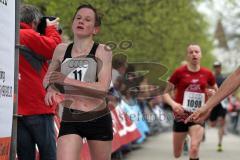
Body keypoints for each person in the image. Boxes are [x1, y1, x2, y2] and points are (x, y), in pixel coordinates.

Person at [43, 4, 113, 160]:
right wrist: (51, 88)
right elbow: (48, 78)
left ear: (95, 29)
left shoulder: (103, 51)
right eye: (78, 18)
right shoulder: (61, 50)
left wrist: (67, 80)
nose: (81, 21)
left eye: (88, 20)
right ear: (73, 23)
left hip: (97, 117)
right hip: (71, 118)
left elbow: (102, 89)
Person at [18, 4, 61, 160]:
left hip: (17, 110)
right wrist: (51, 29)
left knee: (25, 155)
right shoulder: (27, 35)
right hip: (37, 107)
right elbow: (56, 49)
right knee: (48, 153)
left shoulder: (8, 35)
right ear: (34, 22)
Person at [163, 44, 218, 160]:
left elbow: (217, 94)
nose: (194, 54)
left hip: (197, 115)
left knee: (194, 148)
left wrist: (212, 97)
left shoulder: (207, 73)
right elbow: (165, 93)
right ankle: (186, 137)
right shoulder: (179, 72)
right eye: (191, 52)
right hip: (181, 115)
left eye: (197, 52)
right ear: (187, 55)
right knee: (177, 154)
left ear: (201, 55)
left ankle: (191, 140)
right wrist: (174, 105)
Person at [208, 61, 227, 152]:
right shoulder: (211, 78)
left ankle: (220, 143)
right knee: (212, 124)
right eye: (215, 67)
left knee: (221, 122)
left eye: (218, 66)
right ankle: (203, 130)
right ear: (214, 68)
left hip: (222, 103)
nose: (217, 68)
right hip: (213, 103)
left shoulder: (224, 78)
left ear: (221, 67)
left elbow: (230, 89)